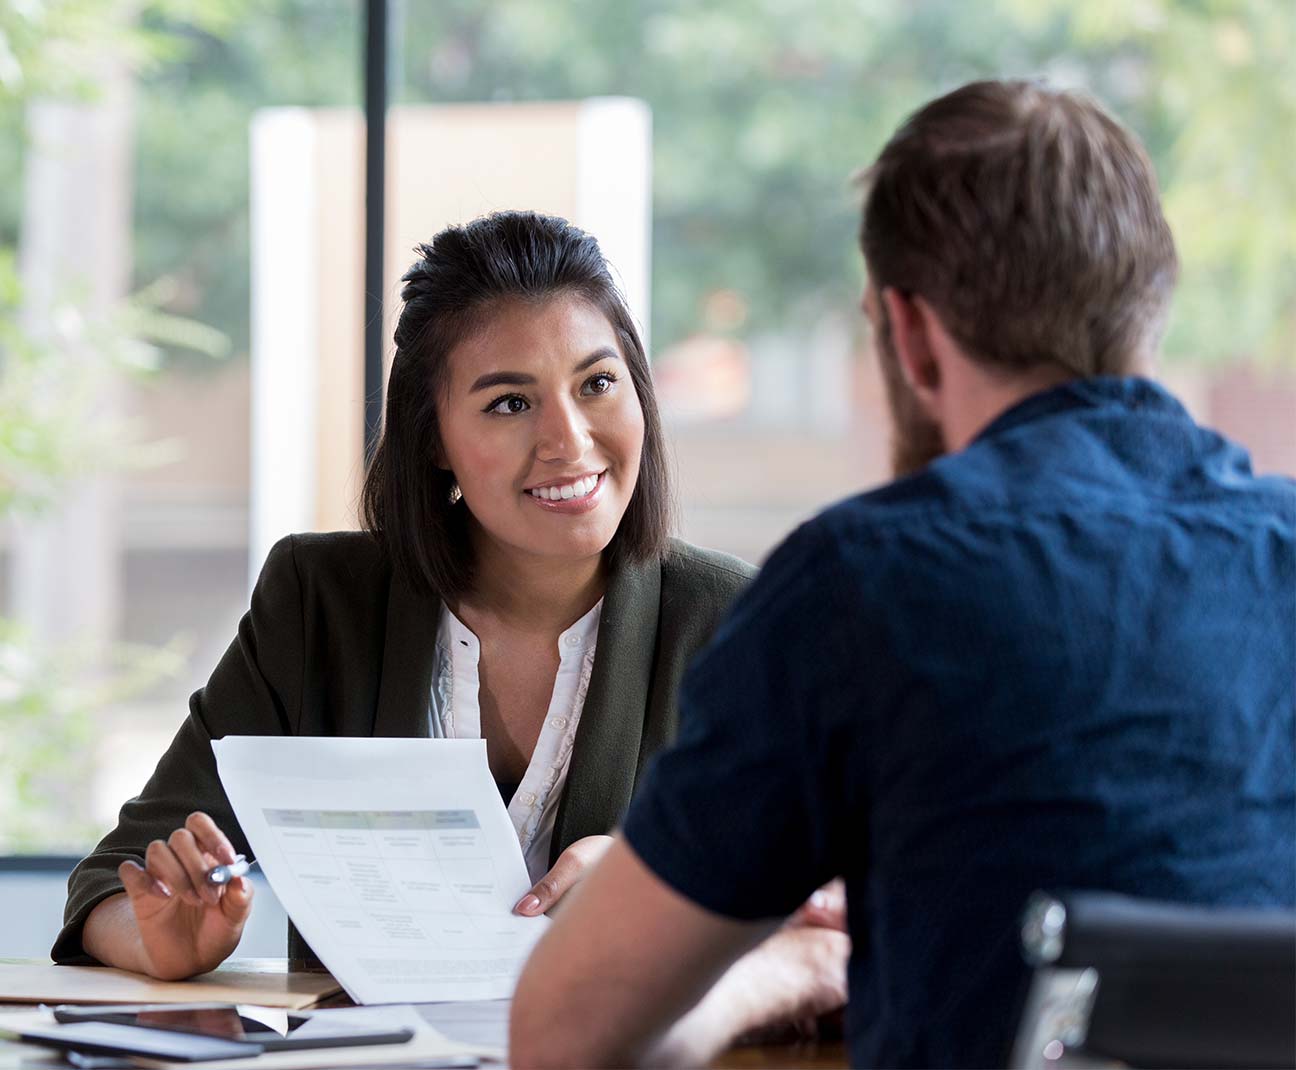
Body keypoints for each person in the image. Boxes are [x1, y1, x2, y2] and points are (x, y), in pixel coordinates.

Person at [509, 81, 1296, 1069]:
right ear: (1151, 300)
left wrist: (787, 970)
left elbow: (562, 1035)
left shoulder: (864, 583)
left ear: (911, 332)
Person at [51, 213, 847, 1029]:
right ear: (435, 439)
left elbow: (843, 902)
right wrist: (161, 942)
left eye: (597, 384)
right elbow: (113, 881)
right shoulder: (320, 604)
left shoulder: (737, 623)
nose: (568, 441)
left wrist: (664, 883)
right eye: (509, 403)